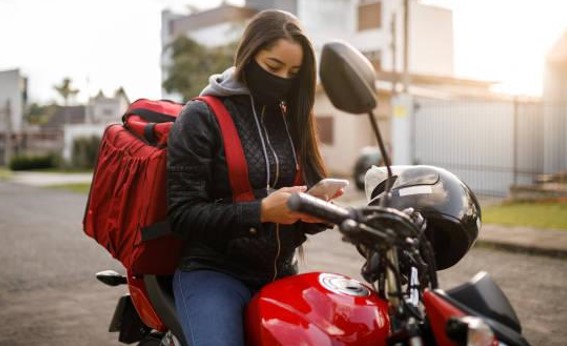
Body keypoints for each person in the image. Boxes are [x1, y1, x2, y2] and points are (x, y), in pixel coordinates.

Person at [167, 9, 341, 346]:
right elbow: (182, 215)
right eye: (273, 67)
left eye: (293, 73)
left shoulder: (292, 120)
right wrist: (261, 212)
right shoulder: (201, 116)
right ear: (248, 55)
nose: (282, 79)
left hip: (279, 275)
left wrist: (316, 211)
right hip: (213, 272)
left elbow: (302, 224)